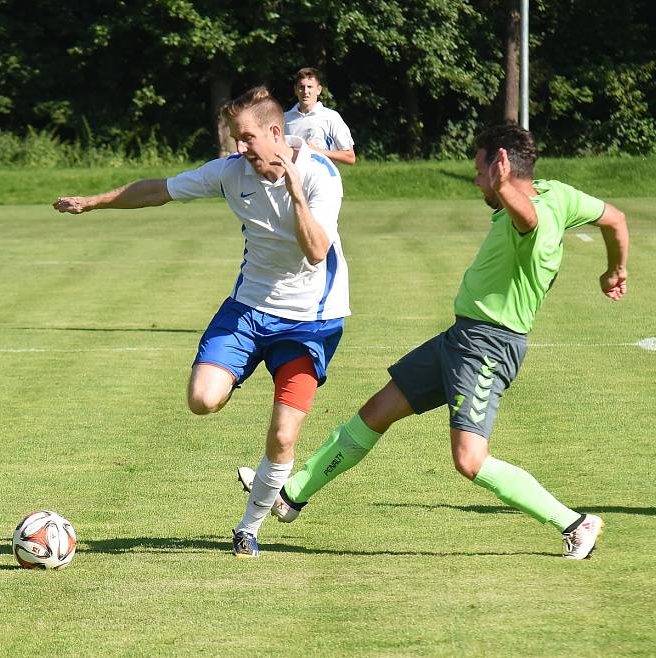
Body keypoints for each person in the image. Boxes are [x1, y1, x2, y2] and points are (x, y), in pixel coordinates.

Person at [239, 123, 629, 559]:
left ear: (500, 165)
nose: (476, 180)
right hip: (460, 338)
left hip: (488, 346)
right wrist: (616, 269)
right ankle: (290, 495)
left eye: (480, 170)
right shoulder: (556, 192)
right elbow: (615, 219)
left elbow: (528, 219)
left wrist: (502, 189)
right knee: (376, 412)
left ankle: (576, 524)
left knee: (469, 460)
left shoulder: (530, 217)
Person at [53, 86, 350, 559]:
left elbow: (316, 252)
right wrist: (94, 201)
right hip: (249, 309)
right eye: (236, 138)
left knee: (283, 434)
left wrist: (295, 194)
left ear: (276, 133)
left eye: (247, 138)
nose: (240, 148)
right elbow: (158, 190)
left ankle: (248, 527)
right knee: (201, 399)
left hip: (310, 322)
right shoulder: (232, 173)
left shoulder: (319, 175)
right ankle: (239, 372)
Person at [284, 67, 356, 165]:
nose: (305, 91)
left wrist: (318, 151)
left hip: (323, 179)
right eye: (301, 87)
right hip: (294, 179)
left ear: (318, 90)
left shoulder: (331, 117)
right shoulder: (285, 118)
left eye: (310, 87)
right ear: (295, 90)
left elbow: (350, 157)